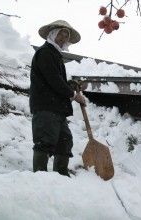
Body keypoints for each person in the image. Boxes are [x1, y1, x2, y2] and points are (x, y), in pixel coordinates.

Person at [29, 20, 86, 176]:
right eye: (61, 34)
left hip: (57, 109)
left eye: (66, 36)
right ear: (52, 34)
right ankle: (39, 178)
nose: (63, 38)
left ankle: (61, 177)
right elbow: (53, 80)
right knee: (44, 142)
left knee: (65, 142)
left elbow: (55, 80)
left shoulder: (55, 55)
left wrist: (69, 84)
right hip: (46, 108)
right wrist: (74, 95)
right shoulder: (45, 52)